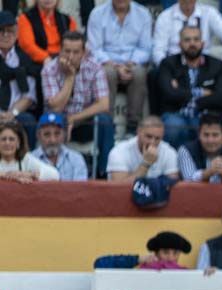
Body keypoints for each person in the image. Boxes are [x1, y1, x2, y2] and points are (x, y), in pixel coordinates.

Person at [40, 31, 113, 177]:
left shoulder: (95, 68)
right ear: (60, 50)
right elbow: (56, 107)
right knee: (52, 119)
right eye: (67, 51)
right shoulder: (49, 70)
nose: (71, 57)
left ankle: (104, 173)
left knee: (105, 121)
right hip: (57, 122)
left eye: (76, 52)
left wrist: (74, 118)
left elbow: (104, 104)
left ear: (84, 53)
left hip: (83, 120)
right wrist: (70, 77)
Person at [157, 25, 222, 149]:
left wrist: (181, 91)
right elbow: (168, 95)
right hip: (177, 113)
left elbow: (220, 98)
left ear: (202, 43)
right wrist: (202, 92)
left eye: (196, 40)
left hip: (208, 114)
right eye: (187, 40)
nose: (192, 43)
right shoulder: (168, 64)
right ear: (180, 44)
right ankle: (174, 167)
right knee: (173, 127)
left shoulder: (217, 65)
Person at [86, 0, 152, 133]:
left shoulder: (143, 14)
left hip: (132, 63)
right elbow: (95, 49)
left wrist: (131, 63)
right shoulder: (97, 14)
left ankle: (133, 126)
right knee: (107, 73)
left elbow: (146, 49)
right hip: (107, 63)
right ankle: (107, 124)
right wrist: (114, 65)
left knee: (139, 73)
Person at [151, 0, 222, 64]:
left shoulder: (209, 12)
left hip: (202, 65)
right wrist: (167, 69)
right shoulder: (165, 17)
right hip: (175, 64)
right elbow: (158, 51)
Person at [0, 11, 38, 147]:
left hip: (16, 113)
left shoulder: (24, 60)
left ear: (16, 34)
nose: (5, 35)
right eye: (1, 31)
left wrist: (12, 113)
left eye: (10, 31)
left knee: (28, 120)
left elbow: (29, 96)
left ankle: (29, 160)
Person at [107, 115, 179, 182]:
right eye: (149, 136)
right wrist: (146, 164)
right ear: (138, 132)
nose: (152, 142)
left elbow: (172, 187)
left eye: (157, 138)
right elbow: (119, 189)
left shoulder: (169, 152)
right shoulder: (119, 152)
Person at [179, 113, 222, 183]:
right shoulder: (186, 150)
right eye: (206, 135)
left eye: (215, 135)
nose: (210, 140)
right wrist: (208, 172)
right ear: (199, 135)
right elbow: (188, 180)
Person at [16, 0, 75, 66]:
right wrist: (46, 58)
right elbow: (27, 45)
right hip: (38, 64)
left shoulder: (68, 20)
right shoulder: (25, 18)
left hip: (65, 62)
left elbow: (74, 44)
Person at [30, 111, 86, 179]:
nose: (52, 140)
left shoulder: (76, 159)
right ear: (38, 136)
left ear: (64, 134)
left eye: (57, 134)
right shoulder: (30, 159)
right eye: (47, 134)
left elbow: (81, 188)